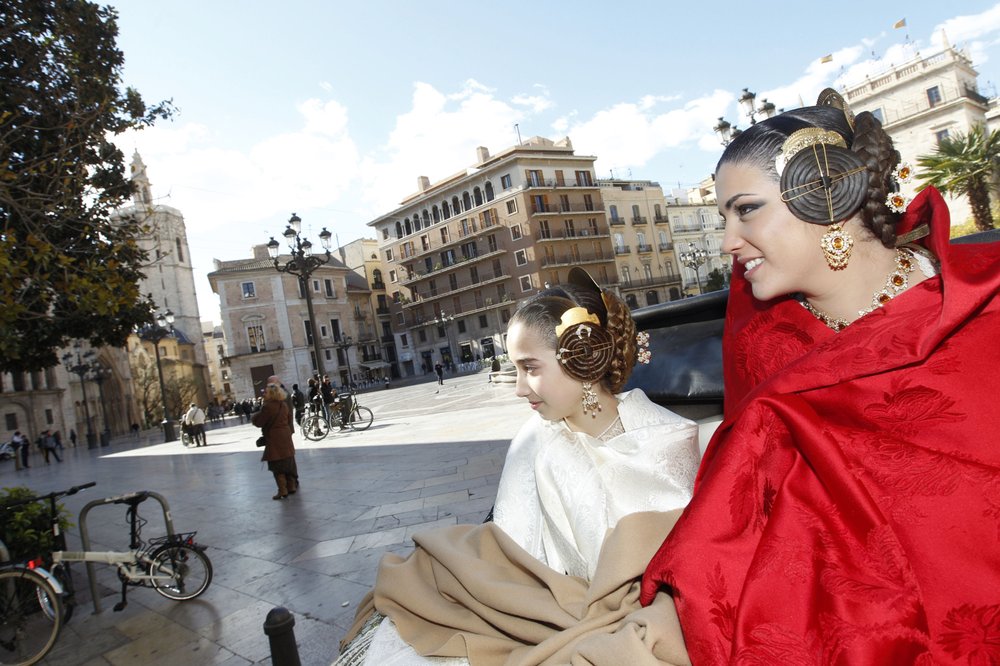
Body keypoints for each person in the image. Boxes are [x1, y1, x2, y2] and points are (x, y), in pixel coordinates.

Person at [640, 90, 1000, 664]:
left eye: (747, 209)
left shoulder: (984, 307)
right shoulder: (764, 340)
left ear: (827, 197)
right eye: (722, 217)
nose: (729, 241)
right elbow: (749, 508)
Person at [337, 267, 700, 665]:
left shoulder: (666, 440)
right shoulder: (536, 437)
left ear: (583, 359)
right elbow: (514, 548)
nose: (519, 387)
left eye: (530, 368)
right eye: (515, 369)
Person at [252, 381, 298, 500]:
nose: (263, 394)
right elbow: (288, 419)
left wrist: (254, 416)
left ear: (271, 394)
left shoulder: (267, 407)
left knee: (276, 464)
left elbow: (259, 422)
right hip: (285, 436)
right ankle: (291, 486)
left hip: (274, 438)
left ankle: (282, 490)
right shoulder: (284, 405)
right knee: (288, 462)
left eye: (265, 392)